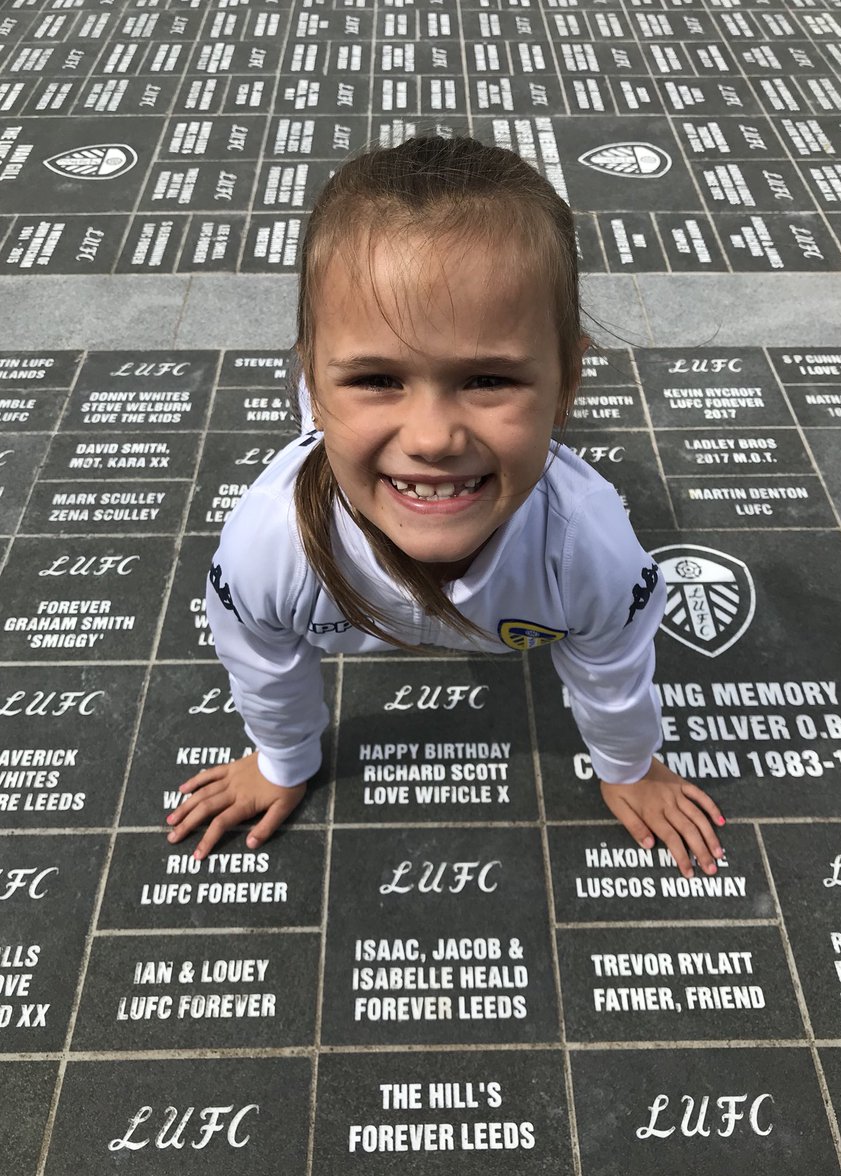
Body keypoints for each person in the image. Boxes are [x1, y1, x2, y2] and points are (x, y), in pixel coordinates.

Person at [167, 134, 725, 877]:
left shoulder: (592, 543)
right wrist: (282, 759)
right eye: (374, 378)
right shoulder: (267, 546)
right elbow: (262, 666)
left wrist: (629, 766)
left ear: (569, 383)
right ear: (310, 374)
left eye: (489, 379)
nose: (432, 438)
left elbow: (614, 665)